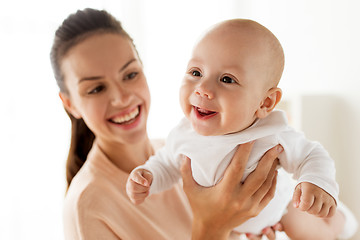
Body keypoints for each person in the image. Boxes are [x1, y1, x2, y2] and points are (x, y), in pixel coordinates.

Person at [51, 8, 285, 240]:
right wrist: (212, 228)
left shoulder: (182, 150)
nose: (122, 98)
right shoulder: (87, 206)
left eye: (130, 74)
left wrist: (249, 223)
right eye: (96, 89)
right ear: (70, 104)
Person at [127, 19, 358, 239]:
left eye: (227, 79)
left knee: (308, 233)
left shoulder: (271, 133)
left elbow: (311, 154)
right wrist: (148, 177)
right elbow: (167, 164)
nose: (203, 88)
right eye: (196, 72)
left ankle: (338, 220)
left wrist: (317, 182)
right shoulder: (183, 134)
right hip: (226, 227)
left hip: (281, 210)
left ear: (265, 103)